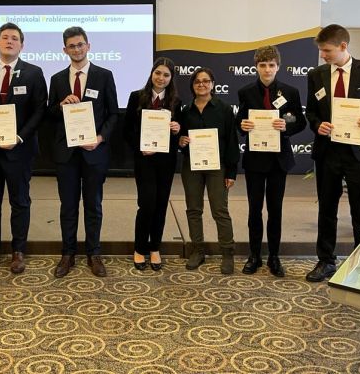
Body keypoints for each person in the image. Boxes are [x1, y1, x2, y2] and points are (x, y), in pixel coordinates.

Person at [305, 24, 360, 282]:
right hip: (328, 152)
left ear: (343, 46)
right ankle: (326, 261)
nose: (323, 55)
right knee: (326, 209)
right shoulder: (316, 75)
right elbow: (311, 111)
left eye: (327, 50)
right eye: (321, 51)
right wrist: (317, 125)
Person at [0, 22, 47, 275]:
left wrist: (19, 137)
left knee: (20, 202)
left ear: (21, 45)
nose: (9, 41)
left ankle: (18, 251)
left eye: (15, 38)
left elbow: (39, 110)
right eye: (5, 37)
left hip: (19, 151)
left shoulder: (34, 72)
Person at [48, 26, 118, 278]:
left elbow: (113, 114)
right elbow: (50, 113)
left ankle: (94, 253)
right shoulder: (57, 79)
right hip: (66, 153)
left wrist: (99, 138)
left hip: (93, 152)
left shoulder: (104, 75)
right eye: (71, 46)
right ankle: (67, 254)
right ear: (64, 50)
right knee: (68, 206)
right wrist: (60, 105)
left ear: (88, 46)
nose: (76, 49)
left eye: (80, 44)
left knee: (93, 205)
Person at [237, 45, 306, 277]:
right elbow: (240, 121)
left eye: (271, 65)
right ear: (256, 67)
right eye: (263, 65)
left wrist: (287, 126)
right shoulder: (246, 92)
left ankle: (274, 256)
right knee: (254, 210)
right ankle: (254, 255)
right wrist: (242, 125)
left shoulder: (290, 91)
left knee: (275, 210)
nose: (267, 69)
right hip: (255, 159)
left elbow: (300, 122)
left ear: (278, 67)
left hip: (279, 160)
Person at [178, 67, 239, 275]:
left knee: (220, 210)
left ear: (212, 84)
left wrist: (231, 172)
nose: (201, 84)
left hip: (217, 167)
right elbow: (180, 138)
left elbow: (232, 141)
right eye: (197, 81)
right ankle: (197, 250)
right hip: (192, 166)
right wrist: (181, 141)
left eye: (205, 81)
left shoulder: (224, 109)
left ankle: (227, 253)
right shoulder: (186, 111)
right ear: (192, 86)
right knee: (193, 209)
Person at [123, 57, 181, 271]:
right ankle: (140, 248)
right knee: (147, 204)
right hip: (144, 160)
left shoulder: (176, 102)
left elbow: (179, 135)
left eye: (166, 75)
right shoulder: (136, 97)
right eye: (158, 73)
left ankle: (155, 247)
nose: (161, 78)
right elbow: (127, 130)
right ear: (151, 73)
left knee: (161, 204)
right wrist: (141, 147)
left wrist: (177, 130)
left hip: (166, 162)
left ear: (171, 78)